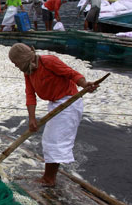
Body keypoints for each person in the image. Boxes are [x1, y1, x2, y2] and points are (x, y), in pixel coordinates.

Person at [8, 43, 98, 186]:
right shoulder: (28, 71)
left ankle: (49, 179)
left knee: (55, 140)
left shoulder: (48, 61)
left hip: (69, 102)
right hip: (55, 103)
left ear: (22, 59)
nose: (15, 66)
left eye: (15, 63)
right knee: (49, 139)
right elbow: (30, 94)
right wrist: (32, 118)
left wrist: (85, 84)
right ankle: (48, 177)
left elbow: (72, 74)